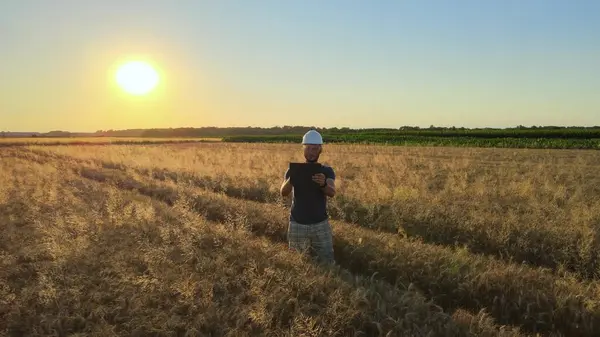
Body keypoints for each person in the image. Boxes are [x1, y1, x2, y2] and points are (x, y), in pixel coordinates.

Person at [280, 130, 336, 265]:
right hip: (297, 224)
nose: (311, 152)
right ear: (303, 149)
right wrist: (292, 178)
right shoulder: (293, 170)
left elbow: (331, 192)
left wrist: (322, 184)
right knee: (297, 263)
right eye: (308, 148)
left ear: (320, 150)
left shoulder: (326, 170)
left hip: (320, 224)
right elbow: (283, 192)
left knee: (327, 262)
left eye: (315, 148)